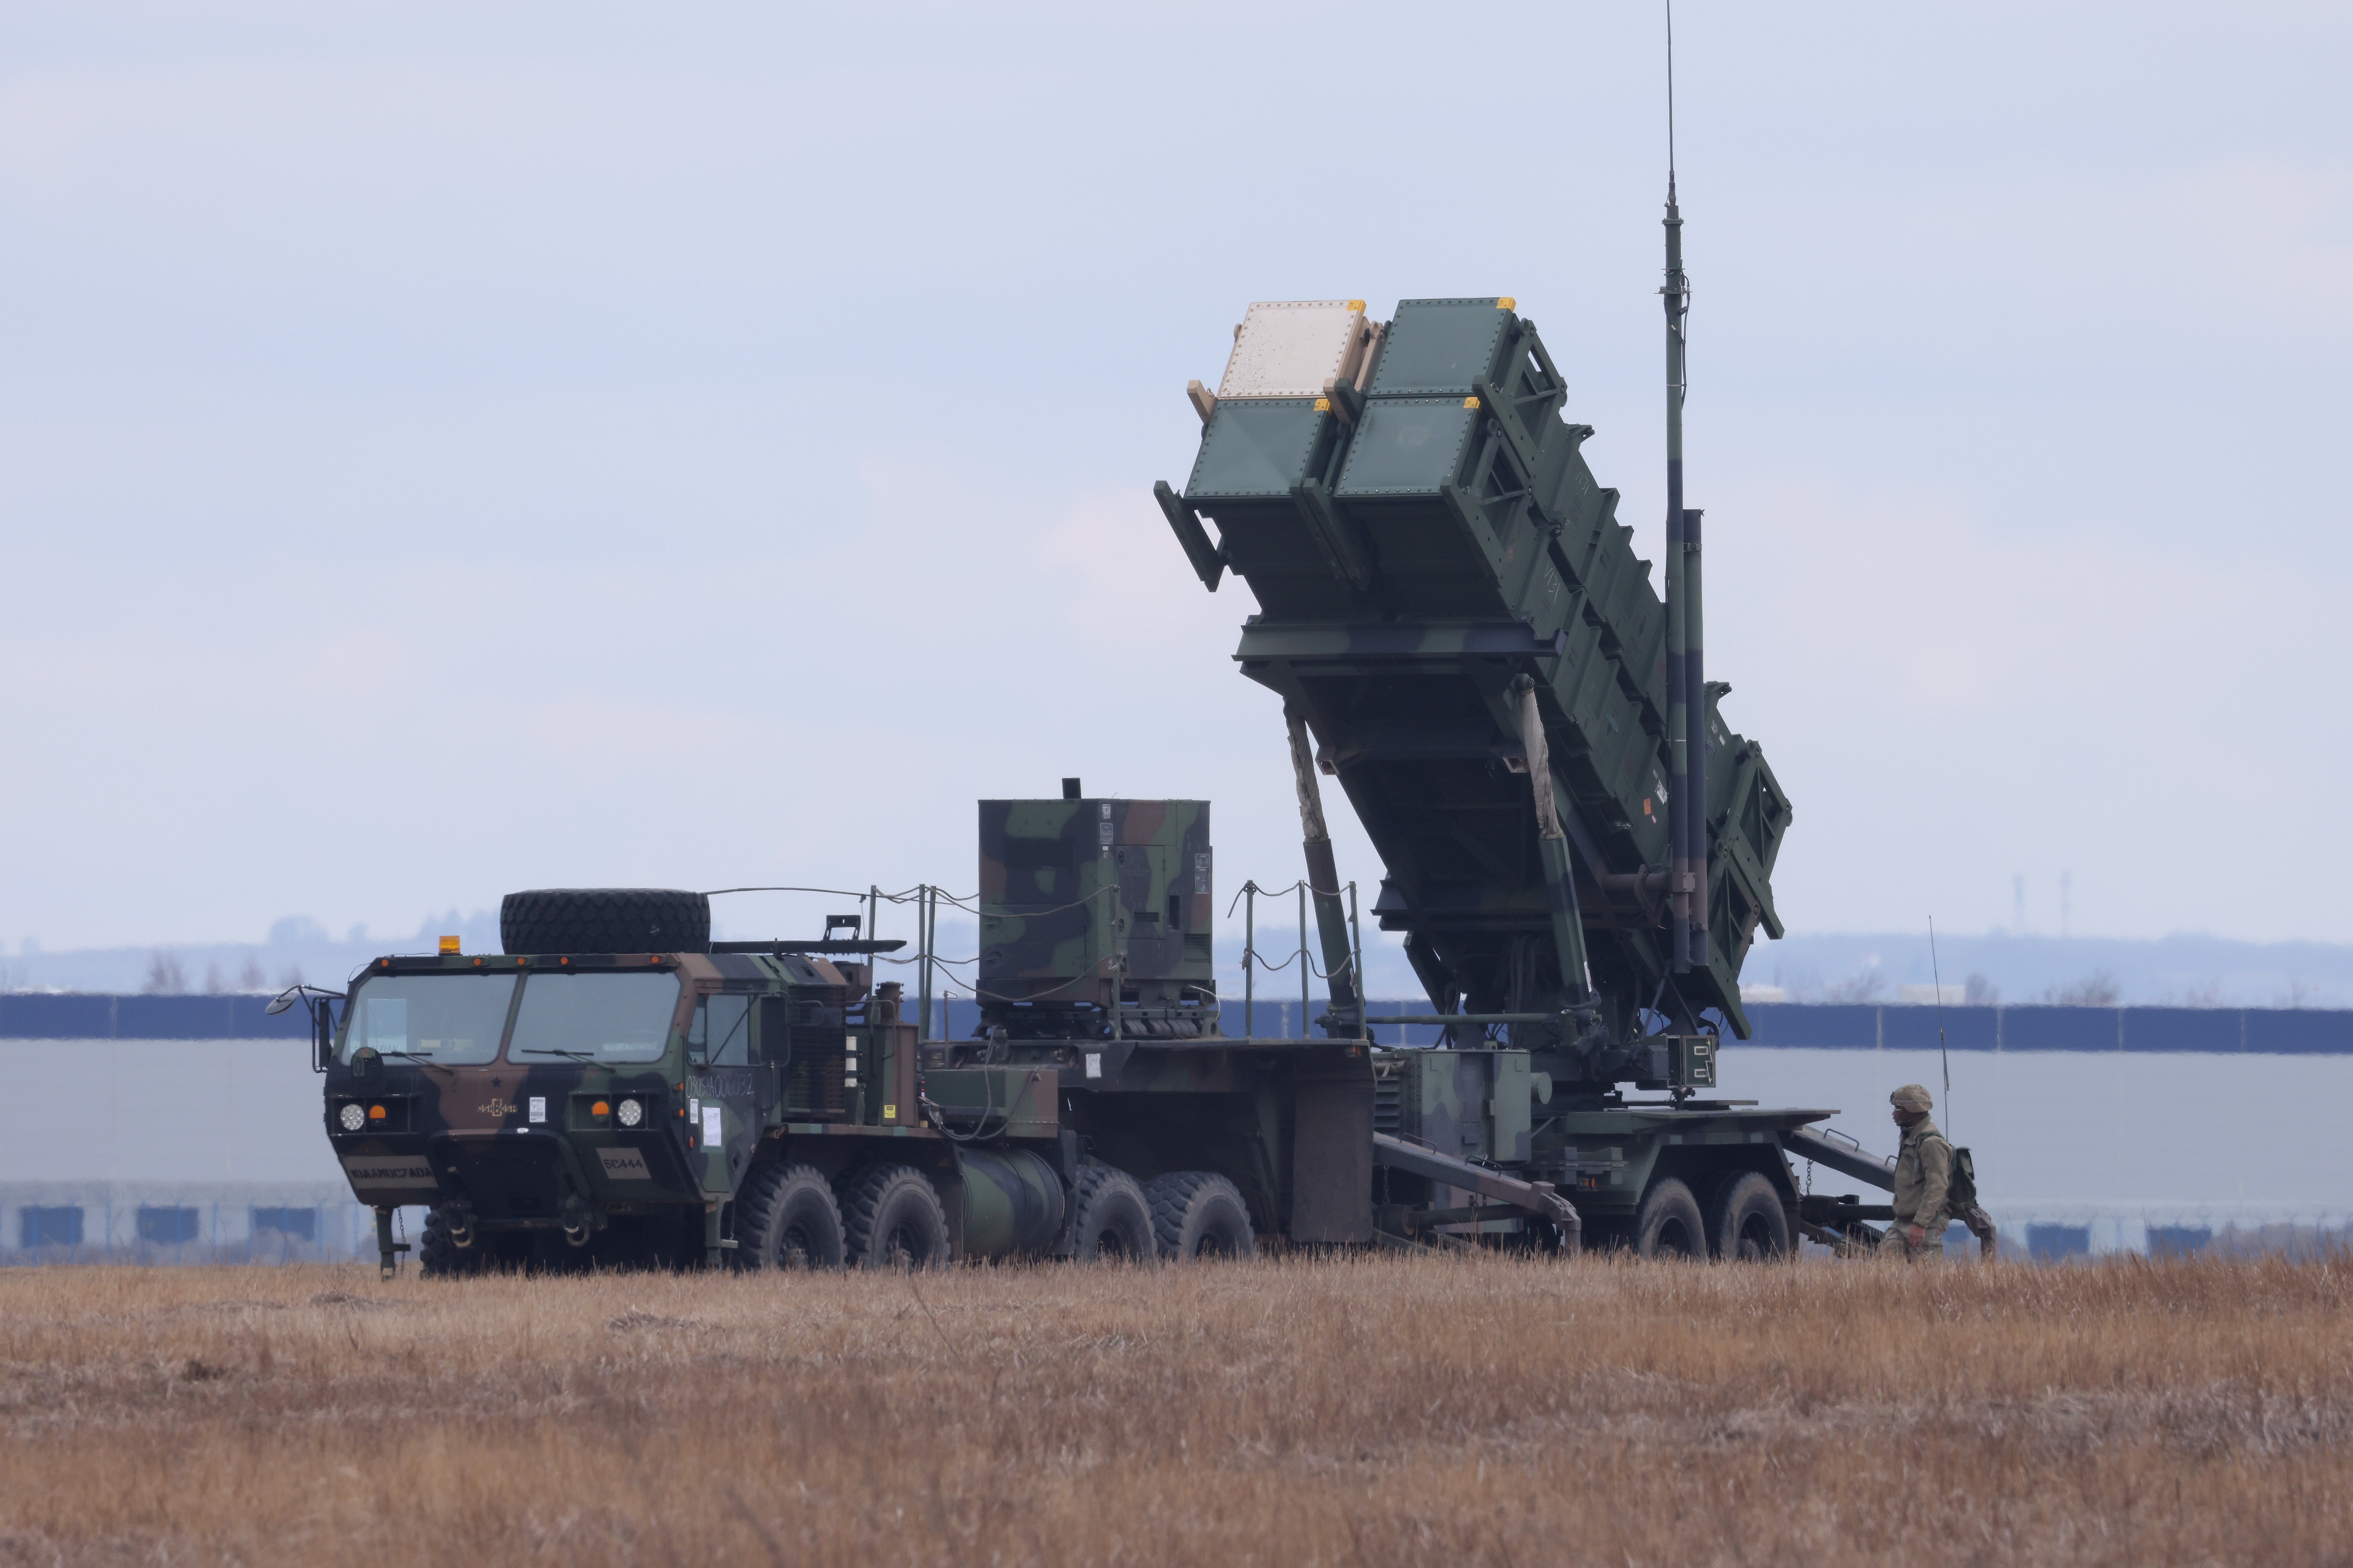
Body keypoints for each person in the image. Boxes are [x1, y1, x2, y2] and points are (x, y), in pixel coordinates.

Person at [1881, 1083, 1952, 1259]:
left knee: (1926, 1281)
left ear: (1911, 1111)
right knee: (1884, 1276)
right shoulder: (1911, 1135)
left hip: (1925, 1224)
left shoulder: (1931, 1143)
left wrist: (1921, 1224)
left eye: (1898, 1108)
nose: (1894, 1113)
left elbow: (1937, 1185)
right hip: (1902, 1221)